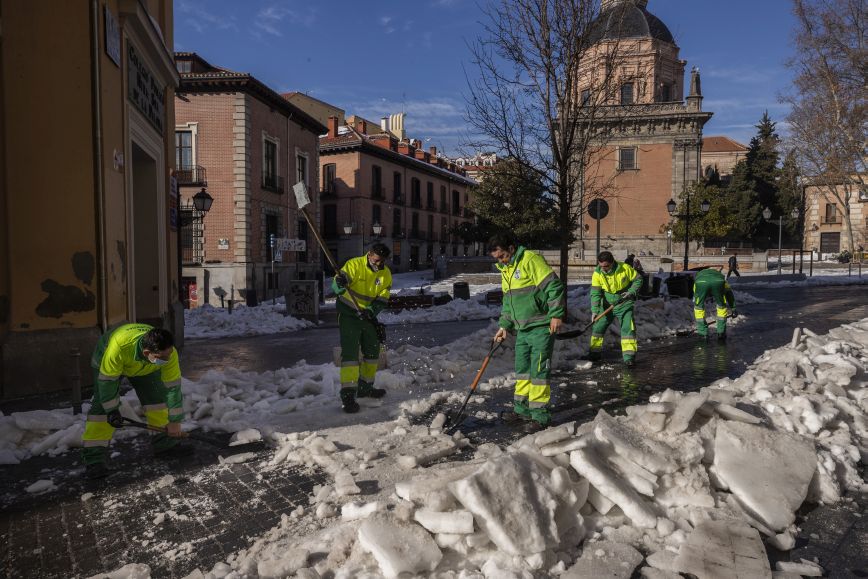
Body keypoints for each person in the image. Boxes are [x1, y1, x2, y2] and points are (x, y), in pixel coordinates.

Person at [81, 324, 190, 479]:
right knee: (101, 409)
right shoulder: (117, 348)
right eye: (162, 358)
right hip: (109, 362)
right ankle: (94, 459)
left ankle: (165, 443)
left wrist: (175, 421)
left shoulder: (167, 353)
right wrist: (112, 410)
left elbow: (172, 388)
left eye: (169, 355)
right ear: (147, 353)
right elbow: (107, 383)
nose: (168, 359)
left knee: (157, 400)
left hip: (146, 367)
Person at [490, 235, 565, 433]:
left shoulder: (531, 260)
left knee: (539, 370)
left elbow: (553, 286)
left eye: (503, 256)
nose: (501, 261)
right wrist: (504, 326)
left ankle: (540, 416)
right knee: (522, 371)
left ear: (512, 248)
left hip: (541, 325)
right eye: (497, 258)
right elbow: (509, 302)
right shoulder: (506, 270)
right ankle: (521, 409)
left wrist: (556, 315)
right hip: (522, 328)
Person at [332, 243, 392, 413]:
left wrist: (371, 312)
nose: (380, 264)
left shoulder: (385, 273)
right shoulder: (354, 264)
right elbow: (336, 287)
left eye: (383, 261)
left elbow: (383, 296)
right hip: (348, 315)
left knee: (373, 351)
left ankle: (365, 388)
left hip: (367, 317)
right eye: (378, 260)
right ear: (370, 254)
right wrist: (340, 282)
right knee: (350, 355)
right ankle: (348, 396)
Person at [588, 251, 643, 367]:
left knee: (628, 328)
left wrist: (631, 292)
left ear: (612, 263)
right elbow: (595, 293)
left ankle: (629, 357)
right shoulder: (597, 273)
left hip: (624, 301)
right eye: (601, 266)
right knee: (598, 327)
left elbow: (638, 280)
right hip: (607, 303)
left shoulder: (624, 268)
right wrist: (594, 310)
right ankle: (594, 354)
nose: (603, 269)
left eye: (606, 266)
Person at [693, 267, 737, 341]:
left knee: (698, 308)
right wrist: (733, 308)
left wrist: (699, 301)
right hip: (718, 282)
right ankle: (721, 333)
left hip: (701, 282)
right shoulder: (720, 277)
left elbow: (696, 293)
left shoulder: (698, 277)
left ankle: (703, 333)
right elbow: (729, 293)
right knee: (721, 307)